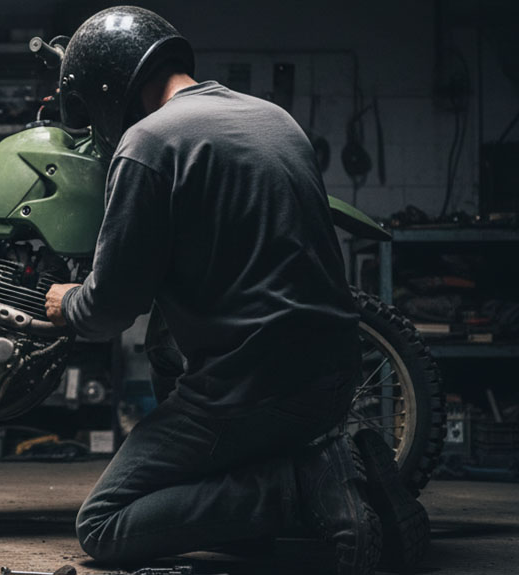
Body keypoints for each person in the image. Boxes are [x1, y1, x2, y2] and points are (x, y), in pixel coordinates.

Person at [42, 7, 429, 574]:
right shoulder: (274, 117)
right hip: (335, 374)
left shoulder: (149, 144)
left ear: (107, 86)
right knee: (169, 353)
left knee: (103, 525)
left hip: (254, 388)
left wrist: (65, 302)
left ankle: (305, 487)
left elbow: (109, 311)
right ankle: (335, 473)